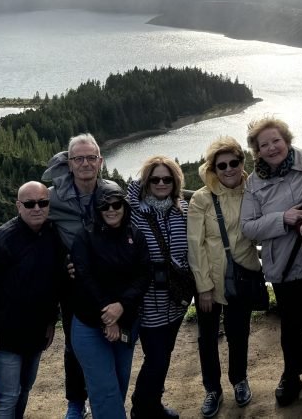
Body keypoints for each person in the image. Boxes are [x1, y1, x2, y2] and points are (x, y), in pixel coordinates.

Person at [240, 116, 302, 406]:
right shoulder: (254, 183)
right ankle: (291, 374)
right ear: (256, 150)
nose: (271, 148)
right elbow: (248, 227)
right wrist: (284, 218)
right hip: (284, 266)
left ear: (287, 140)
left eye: (275, 141)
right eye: (263, 144)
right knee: (291, 326)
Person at [0, 181, 64, 419]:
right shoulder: (0, 240)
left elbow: (53, 284)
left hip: (36, 333)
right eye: (30, 204)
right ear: (18, 206)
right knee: (7, 395)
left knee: (24, 389)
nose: (37, 208)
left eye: (43, 202)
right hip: (5, 336)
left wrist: (51, 321)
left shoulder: (52, 235)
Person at [43, 133, 122, 419]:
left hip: (109, 282)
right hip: (74, 286)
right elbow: (36, 229)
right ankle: (76, 401)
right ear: (69, 163)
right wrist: (60, 262)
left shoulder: (111, 191)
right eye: (79, 158)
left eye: (91, 158)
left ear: (100, 161)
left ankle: (111, 397)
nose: (86, 163)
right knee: (74, 345)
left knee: (113, 337)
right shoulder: (53, 197)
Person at [187, 136, 259, 417]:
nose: (229, 169)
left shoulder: (253, 190)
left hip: (242, 277)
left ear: (243, 162)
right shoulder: (202, 198)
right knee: (207, 338)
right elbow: (196, 245)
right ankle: (212, 389)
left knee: (239, 333)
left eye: (234, 162)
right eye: (222, 165)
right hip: (210, 280)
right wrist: (203, 287)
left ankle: (239, 380)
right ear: (213, 169)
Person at [70, 184, 151, 419]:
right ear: (97, 209)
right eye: (105, 206)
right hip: (89, 323)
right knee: (104, 387)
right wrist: (108, 317)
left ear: (124, 207)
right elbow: (85, 279)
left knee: (119, 381)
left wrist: (121, 306)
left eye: (117, 205)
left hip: (126, 319)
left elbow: (143, 275)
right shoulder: (85, 237)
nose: (111, 210)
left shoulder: (135, 235)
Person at [127, 156, 190, 419]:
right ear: (146, 182)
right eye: (155, 179)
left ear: (175, 182)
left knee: (164, 353)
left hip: (175, 299)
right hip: (148, 300)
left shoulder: (182, 209)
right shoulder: (134, 212)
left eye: (167, 178)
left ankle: (152, 403)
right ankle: (142, 407)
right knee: (156, 358)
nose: (161, 183)